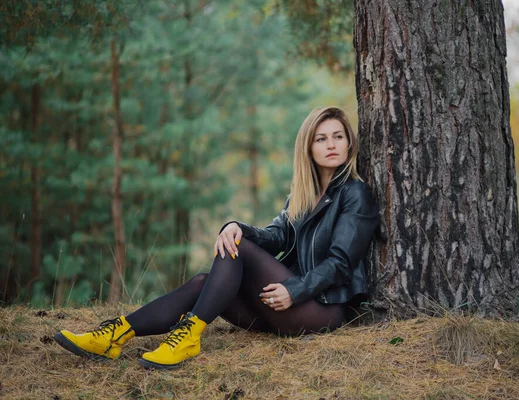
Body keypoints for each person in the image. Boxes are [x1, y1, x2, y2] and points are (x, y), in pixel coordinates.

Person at [53, 106, 380, 370]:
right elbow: (278, 236)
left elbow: (340, 264)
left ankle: (188, 335)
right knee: (203, 279)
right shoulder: (304, 193)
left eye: (338, 136)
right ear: (308, 147)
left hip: (321, 309)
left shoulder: (355, 193)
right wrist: (237, 225)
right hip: (286, 307)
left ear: (350, 143)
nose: (332, 145)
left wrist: (294, 291)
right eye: (321, 139)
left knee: (238, 247)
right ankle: (114, 336)